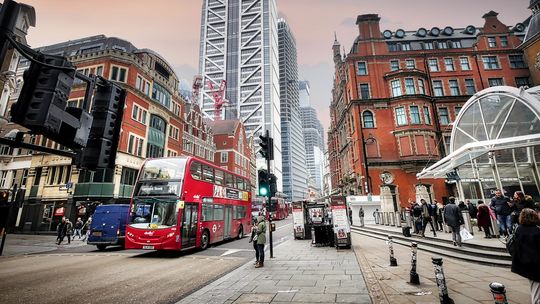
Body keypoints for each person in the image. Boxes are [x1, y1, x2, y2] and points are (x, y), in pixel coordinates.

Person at [510, 208, 540, 304]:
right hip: (536, 265)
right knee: (537, 291)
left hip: (524, 263)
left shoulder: (518, 229)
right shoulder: (537, 231)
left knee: (534, 287)